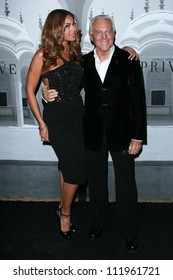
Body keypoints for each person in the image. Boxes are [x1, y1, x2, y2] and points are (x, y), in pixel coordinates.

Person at [42, 14, 147, 252]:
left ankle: (130, 232)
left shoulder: (128, 59)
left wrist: (138, 136)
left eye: (108, 31)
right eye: (98, 32)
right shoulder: (82, 63)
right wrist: (45, 94)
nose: (104, 36)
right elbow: (64, 84)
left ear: (114, 33)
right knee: (96, 183)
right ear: (90, 36)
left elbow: (137, 101)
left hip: (123, 133)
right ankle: (100, 223)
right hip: (91, 131)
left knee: (126, 185)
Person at [25, 9, 86, 240]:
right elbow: (29, 90)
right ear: (56, 28)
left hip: (77, 117)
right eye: (68, 26)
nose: (74, 30)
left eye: (74, 25)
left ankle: (62, 207)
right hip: (58, 119)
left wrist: (128, 50)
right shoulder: (43, 54)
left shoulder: (74, 52)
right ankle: (65, 215)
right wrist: (41, 123)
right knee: (75, 171)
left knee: (67, 166)